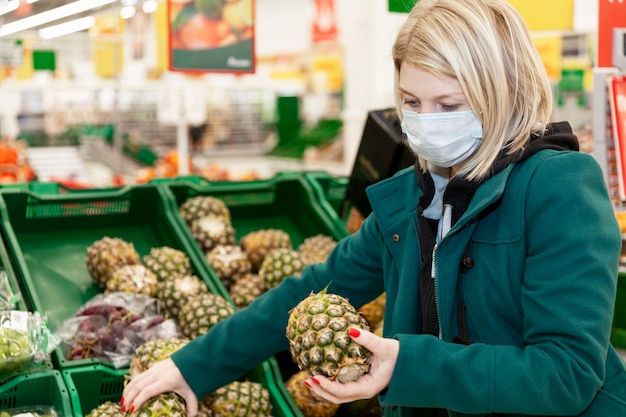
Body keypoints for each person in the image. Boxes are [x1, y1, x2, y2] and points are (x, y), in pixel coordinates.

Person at [122, 0, 626, 415]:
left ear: (504, 92)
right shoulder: (411, 196)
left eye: (449, 105)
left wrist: (405, 366)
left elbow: (567, 373)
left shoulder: (558, 189)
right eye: (411, 102)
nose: (426, 123)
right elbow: (306, 291)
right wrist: (194, 366)